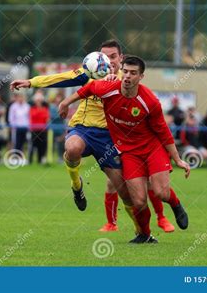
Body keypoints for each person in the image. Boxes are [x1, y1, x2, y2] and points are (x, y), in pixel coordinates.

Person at [11, 40, 178, 234]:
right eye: (105, 57)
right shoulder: (90, 73)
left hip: (109, 138)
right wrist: (31, 82)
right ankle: (76, 185)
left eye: (113, 57)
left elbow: (141, 110)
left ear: (121, 59)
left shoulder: (128, 80)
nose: (109, 61)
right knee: (72, 148)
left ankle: (142, 232)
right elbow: (61, 78)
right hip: (83, 129)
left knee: (125, 192)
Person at [59, 56, 190, 244]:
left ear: (141, 76)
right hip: (129, 152)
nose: (128, 76)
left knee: (161, 192)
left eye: (133, 73)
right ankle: (144, 234)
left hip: (152, 148)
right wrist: (65, 103)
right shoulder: (108, 89)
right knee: (138, 201)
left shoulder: (150, 101)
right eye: (125, 71)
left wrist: (178, 159)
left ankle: (176, 205)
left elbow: (164, 131)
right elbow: (88, 89)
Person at [8, 93, 30, 164]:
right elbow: (11, 118)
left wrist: (29, 126)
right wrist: (12, 126)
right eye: (19, 98)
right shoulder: (13, 106)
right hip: (16, 128)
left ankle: (23, 158)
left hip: (25, 127)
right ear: (17, 98)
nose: (20, 99)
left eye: (21, 97)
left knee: (24, 143)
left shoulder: (27, 106)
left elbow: (29, 117)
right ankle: (15, 158)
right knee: (16, 143)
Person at [29, 92, 50, 164]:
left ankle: (40, 160)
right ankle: (30, 161)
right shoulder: (32, 108)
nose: (38, 102)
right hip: (34, 130)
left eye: (39, 100)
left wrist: (39, 113)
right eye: (37, 100)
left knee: (42, 146)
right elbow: (33, 116)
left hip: (43, 130)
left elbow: (46, 117)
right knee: (32, 145)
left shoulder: (45, 108)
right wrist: (40, 112)